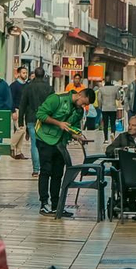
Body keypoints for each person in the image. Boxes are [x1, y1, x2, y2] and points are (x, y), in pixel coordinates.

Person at [34, 87, 91, 217]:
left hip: (60, 143)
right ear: (80, 95)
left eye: (85, 105)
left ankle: (56, 205)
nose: (83, 106)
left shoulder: (79, 111)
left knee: (58, 173)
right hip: (45, 138)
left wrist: (76, 136)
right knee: (46, 171)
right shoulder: (57, 99)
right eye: (83, 103)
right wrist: (58, 123)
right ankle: (44, 203)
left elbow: (72, 127)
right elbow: (40, 115)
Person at [18, 69, 54, 179]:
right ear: (44, 75)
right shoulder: (49, 88)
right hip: (46, 119)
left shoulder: (28, 87)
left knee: (34, 144)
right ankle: (45, 167)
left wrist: (21, 121)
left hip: (31, 118)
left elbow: (22, 105)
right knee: (46, 143)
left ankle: (36, 169)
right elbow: (53, 105)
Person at [9, 65, 31, 159]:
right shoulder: (14, 86)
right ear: (18, 74)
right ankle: (11, 146)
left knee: (23, 131)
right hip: (17, 110)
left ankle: (18, 152)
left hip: (24, 111)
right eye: (23, 73)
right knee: (20, 129)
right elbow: (10, 99)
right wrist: (13, 111)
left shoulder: (27, 85)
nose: (25, 74)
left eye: (26, 73)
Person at [96, 76, 122, 142]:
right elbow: (118, 97)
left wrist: (100, 106)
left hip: (104, 108)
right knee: (113, 123)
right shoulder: (115, 89)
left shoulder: (101, 89)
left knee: (105, 124)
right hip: (113, 108)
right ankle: (112, 134)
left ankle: (106, 139)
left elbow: (99, 99)